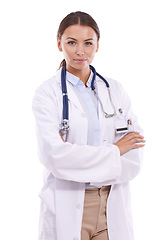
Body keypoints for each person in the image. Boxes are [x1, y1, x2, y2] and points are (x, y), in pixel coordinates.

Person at [32, 11, 145, 240]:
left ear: (97, 46)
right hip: (68, 204)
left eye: (88, 43)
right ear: (59, 43)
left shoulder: (114, 90)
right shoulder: (47, 94)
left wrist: (76, 157)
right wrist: (115, 150)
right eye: (71, 42)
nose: (80, 51)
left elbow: (134, 157)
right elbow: (54, 156)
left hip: (112, 204)